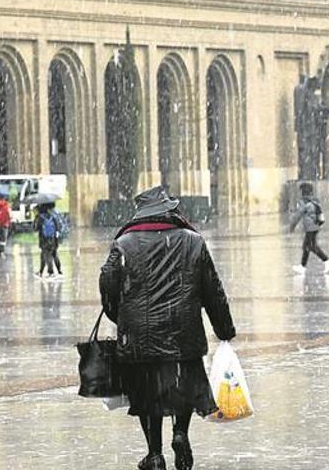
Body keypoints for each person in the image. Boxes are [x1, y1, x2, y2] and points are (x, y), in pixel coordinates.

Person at [100, 186, 236, 470]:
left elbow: (108, 284)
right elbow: (214, 290)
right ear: (170, 212)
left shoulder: (124, 242)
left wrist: (121, 317)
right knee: (182, 386)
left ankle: (154, 453)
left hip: (140, 334)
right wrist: (224, 328)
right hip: (183, 332)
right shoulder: (193, 241)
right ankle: (180, 434)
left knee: (147, 393)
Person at [289, 183, 329, 275]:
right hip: (315, 225)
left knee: (311, 246)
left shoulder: (303, 201)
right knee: (306, 246)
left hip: (310, 227)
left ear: (303, 192)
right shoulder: (314, 200)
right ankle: (302, 267)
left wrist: (292, 225)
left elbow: (298, 214)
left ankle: (327, 261)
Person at [33, 203, 62, 279]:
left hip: (44, 240)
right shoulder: (52, 215)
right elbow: (58, 226)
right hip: (53, 239)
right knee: (53, 254)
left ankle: (51, 272)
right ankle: (58, 271)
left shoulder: (40, 217)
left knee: (47, 255)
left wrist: (36, 218)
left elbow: (35, 228)